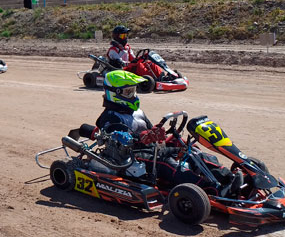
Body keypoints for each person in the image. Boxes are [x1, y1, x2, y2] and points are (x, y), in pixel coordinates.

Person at [95, 70, 241, 196]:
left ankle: (228, 178)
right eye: (128, 92)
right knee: (170, 164)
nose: (133, 95)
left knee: (192, 152)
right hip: (133, 157)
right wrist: (141, 137)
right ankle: (213, 190)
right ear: (115, 93)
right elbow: (117, 138)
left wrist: (162, 136)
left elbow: (151, 131)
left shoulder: (137, 112)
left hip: (152, 149)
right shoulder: (109, 116)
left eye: (133, 91)